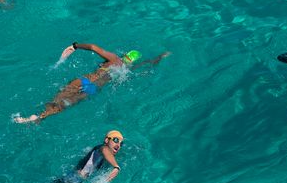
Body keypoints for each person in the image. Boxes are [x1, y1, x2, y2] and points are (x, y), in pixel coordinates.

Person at [14, 43, 170, 124]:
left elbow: (93, 47)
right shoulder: (127, 69)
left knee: (58, 99)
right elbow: (149, 63)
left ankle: (38, 114)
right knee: (66, 104)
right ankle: (40, 118)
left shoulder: (114, 59)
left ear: (125, 55)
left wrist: (75, 46)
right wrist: (161, 56)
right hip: (93, 89)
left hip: (84, 80)